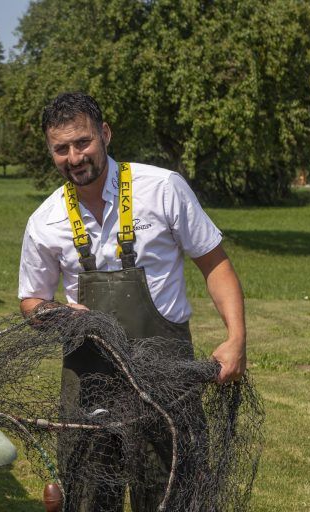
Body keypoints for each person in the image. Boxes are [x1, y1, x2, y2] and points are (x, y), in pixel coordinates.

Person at [17, 92, 246, 511]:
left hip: (167, 377)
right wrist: (55, 315)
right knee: (87, 498)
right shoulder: (44, 221)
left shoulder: (162, 189)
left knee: (169, 494)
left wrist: (236, 338)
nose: (74, 156)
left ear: (104, 134)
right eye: (61, 148)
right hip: (89, 384)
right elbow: (31, 300)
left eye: (82, 142)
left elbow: (216, 265)